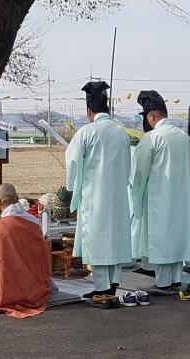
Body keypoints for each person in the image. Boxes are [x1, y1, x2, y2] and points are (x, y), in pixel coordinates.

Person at [131, 90, 190, 293]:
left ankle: (164, 283)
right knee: (177, 238)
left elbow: (139, 172)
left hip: (159, 198)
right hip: (180, 198)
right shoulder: (184, 137)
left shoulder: (153, 138)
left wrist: (135, 195)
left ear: (151, 116)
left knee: (162, 239)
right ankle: (175, 280)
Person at [65, 81, 132, 298]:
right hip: (119, 196)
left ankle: (102, 287)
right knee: (116, 238)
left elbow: (73, 161)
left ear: (89, 110)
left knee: (99, 239)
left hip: (96, 195)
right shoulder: (121, 132)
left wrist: (71, 188)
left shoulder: (87, 132)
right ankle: (113, 284)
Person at [0, 183, 51, 318]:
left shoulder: (1, 227)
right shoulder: (33, 222)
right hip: (35, 284)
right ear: (17, 197)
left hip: (10, 285)